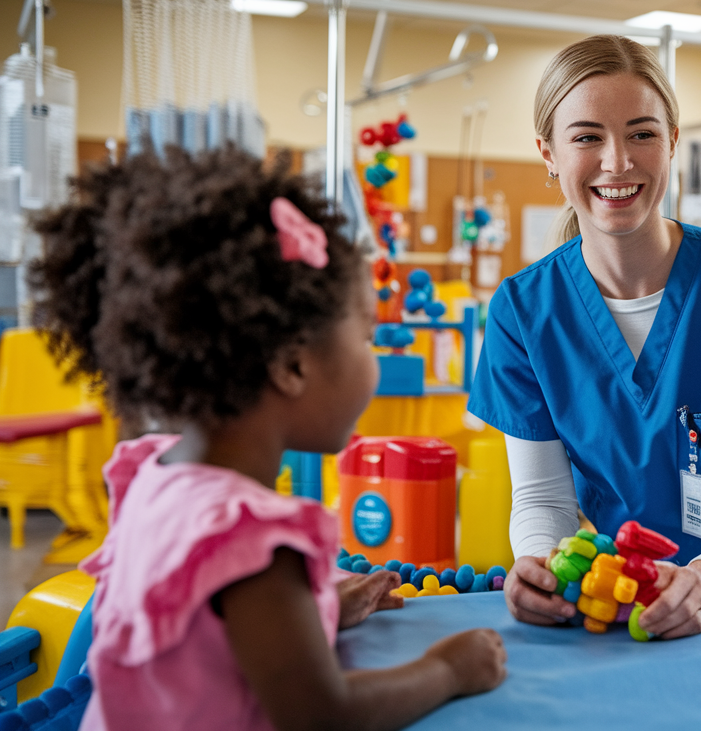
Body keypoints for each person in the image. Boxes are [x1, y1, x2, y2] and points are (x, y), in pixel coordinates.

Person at [30, 148, 506, 730]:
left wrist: (318, 609)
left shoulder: (155, 475)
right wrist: (447, 670)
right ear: (292, 366)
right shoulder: (251, 540)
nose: (375, 362)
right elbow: (320, 713)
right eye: (366, 337)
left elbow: (210, 640)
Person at [467, 35, 701, 639]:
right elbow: (542, 499)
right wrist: (540, 564)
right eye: (587, 136)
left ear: (673, 141)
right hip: (627, 598)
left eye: (642, 133)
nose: (617, 161)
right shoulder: (523, 310)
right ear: (548, 153)